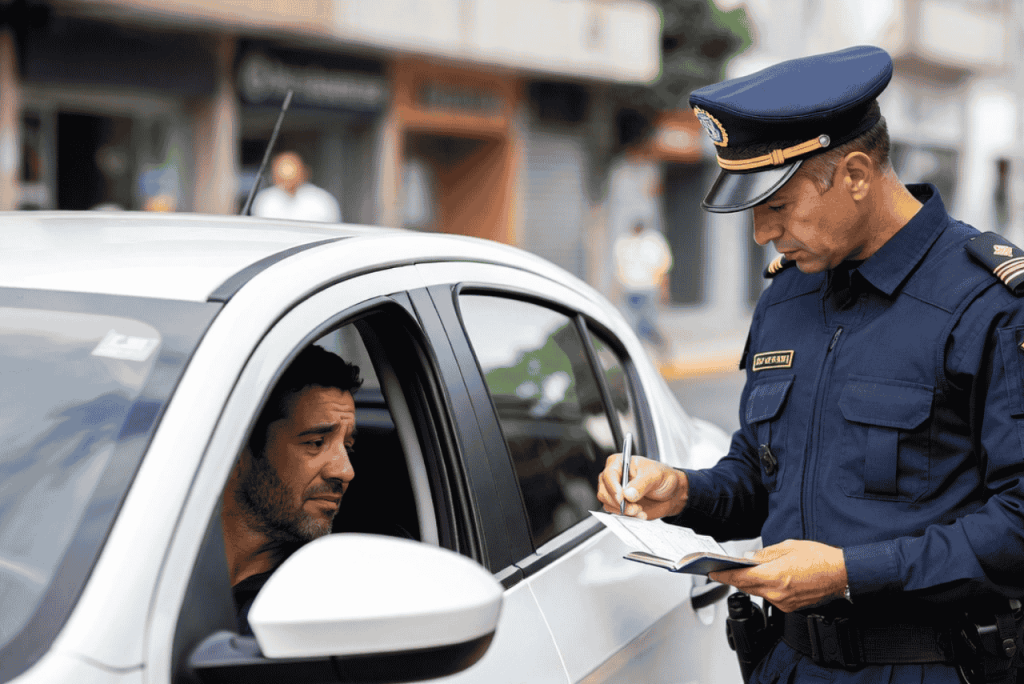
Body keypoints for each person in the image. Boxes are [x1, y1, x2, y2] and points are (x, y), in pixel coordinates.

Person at [598, 45, 1024, 683]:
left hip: (931, 667)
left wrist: (850, 573)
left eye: (776, 206)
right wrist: (683, 491)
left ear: (854, 175)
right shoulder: (788, 296)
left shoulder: (986, 303)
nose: (760, 233)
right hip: (788, 665)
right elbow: (759, 477)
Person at [221, 344, 362, 634]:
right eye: (315, 443)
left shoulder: (323, 600)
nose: (345, 471)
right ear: (239, 449)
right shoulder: (146, 559)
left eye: (348, 447)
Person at [613, 220, 673, 353]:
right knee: (632, 326)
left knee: (647, 324)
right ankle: (638, 354)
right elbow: (618, 268)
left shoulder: (653, 241)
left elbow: (664, 268)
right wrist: (615, 292)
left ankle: (661, 344)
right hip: (629, 290)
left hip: (648, 290)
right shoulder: (623, 241)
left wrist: (664, 291)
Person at [251, 151, 342, 223]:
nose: (287, 175)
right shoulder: (264, 200)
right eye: (282, 170)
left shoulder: (321, 200)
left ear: (304, 172)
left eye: (291, 169)